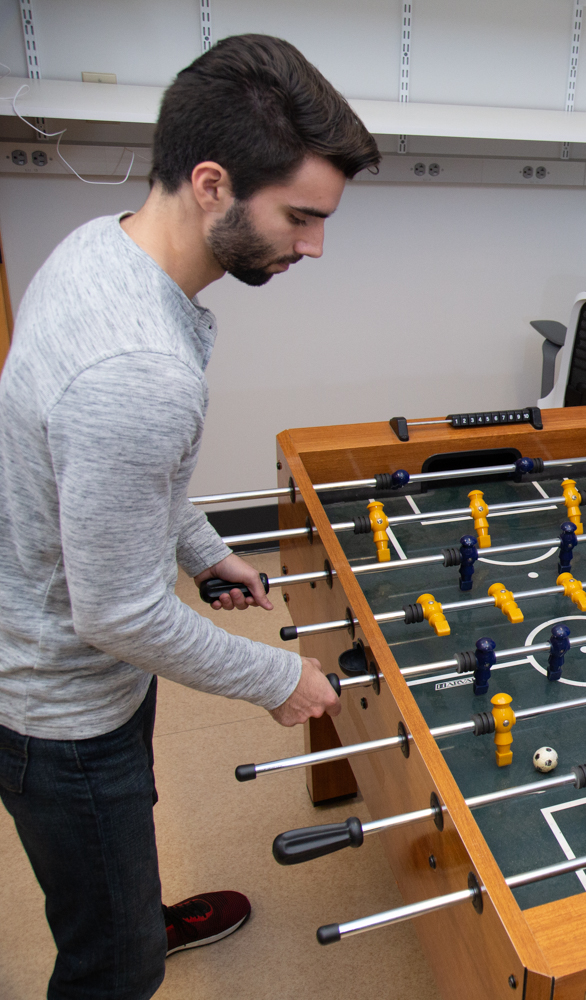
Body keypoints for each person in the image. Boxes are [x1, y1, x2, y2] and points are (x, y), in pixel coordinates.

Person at [0, 35, 379, 999]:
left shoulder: (105, 246)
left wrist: (205, 550)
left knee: (120, 843)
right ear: (212, 183)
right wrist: (275, 679)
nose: (314, 245)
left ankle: (130, 902)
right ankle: (128, 936)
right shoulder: (138, 373)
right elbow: (118, 615)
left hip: (70, 658)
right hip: (55, 705)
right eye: (300, 216)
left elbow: (128, 482)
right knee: (112, 965)